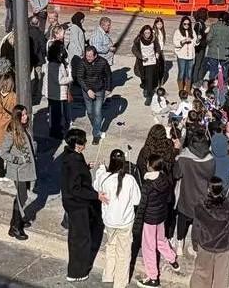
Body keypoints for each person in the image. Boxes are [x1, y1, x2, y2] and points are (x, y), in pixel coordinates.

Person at [93, 148, 141, 286]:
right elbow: (137, 200)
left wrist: (101, 169)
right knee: (124, 253)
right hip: (125, 222)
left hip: (109, 221)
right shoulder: (130, 180)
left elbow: (96, 184)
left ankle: (108, 274)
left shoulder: (105, 178)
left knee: (111, 246)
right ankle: (120, 283)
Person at [62, 128, 103, 283]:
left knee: (78, 236)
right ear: (78, 145)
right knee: (80, 238)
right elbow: (76, 188)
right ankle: (76, 271)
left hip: (72, 203)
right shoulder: (73, 161)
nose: (85, 143)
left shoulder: (71, 156)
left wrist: (86, 167)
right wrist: (95, 195)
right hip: (77, 205)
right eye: (83, 141)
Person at [190, 177, 229, 288]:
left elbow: (196, 228)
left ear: (209, 189)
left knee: (201, 274)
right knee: (221, 277)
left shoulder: (201, 207)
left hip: (205, 245)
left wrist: (195, 244)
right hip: (224, 247)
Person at [139, 153, 177, 287]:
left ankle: (153, 277)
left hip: (149, 218)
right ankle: (172, 259)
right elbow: (168, 199)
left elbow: (142, 205)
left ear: (150, 166)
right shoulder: (165, 179)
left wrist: (137, 224)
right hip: (161, 215)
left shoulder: (148, 184)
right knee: (161, 240)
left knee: (149, 247)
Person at [1, 104, 37, 240]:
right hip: (18, 171)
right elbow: (3, 152)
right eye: (22, 115)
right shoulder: (12, 132)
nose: (25, 117)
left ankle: (17, 221)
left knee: (22, 196)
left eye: (26, 114)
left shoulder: (24, 128)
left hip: (26, 169)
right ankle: (15, 227)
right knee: (22, 197)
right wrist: (18, 159)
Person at [73, 45, 112, 145]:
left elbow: (108, 75)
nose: (88, 58)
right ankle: (96, 125)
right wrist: (88, 90)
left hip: (99, 90)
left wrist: (108, 88)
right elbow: (80, 78)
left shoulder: (103, 62)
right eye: (87, 56)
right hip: (87, 91)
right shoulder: (82, 62)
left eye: (90, 56)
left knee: (98, 112)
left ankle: (96, 135)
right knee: (90, 112)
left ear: (95, 55)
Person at [45, 24, 71, 139]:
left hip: (55, 90)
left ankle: (57, 129)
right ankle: (56, 132)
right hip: (57, 91)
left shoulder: (53, 62)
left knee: (55, 112)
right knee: (56, 112)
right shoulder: (56, 63)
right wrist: (71, 77)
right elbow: (59, 80)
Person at [133, 24, 163, 106]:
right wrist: (141, 56)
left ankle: (149, 97)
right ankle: (145, 87)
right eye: (146, 33)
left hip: (152, 62)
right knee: (143, 77)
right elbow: (134, 50)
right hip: (142, 63)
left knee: (149, 79)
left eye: (149, 33)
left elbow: (158, 47)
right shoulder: (138, 40)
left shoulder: (153, 38)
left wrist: (157, 53)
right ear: (142, 33)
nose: (147, 35)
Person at [174, 16, 197, 96]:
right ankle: (181, 89)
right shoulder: (178, 32)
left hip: (191, 56)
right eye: (185, 24)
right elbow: (175, 43)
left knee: (189, 73)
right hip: (181, 56)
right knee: (181, 72)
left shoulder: (192, 31)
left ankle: (188, 89)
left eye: (188, 24)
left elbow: (195, 43)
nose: (186, 25)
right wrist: (183, 41)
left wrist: (197, 40)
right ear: (182, 24)